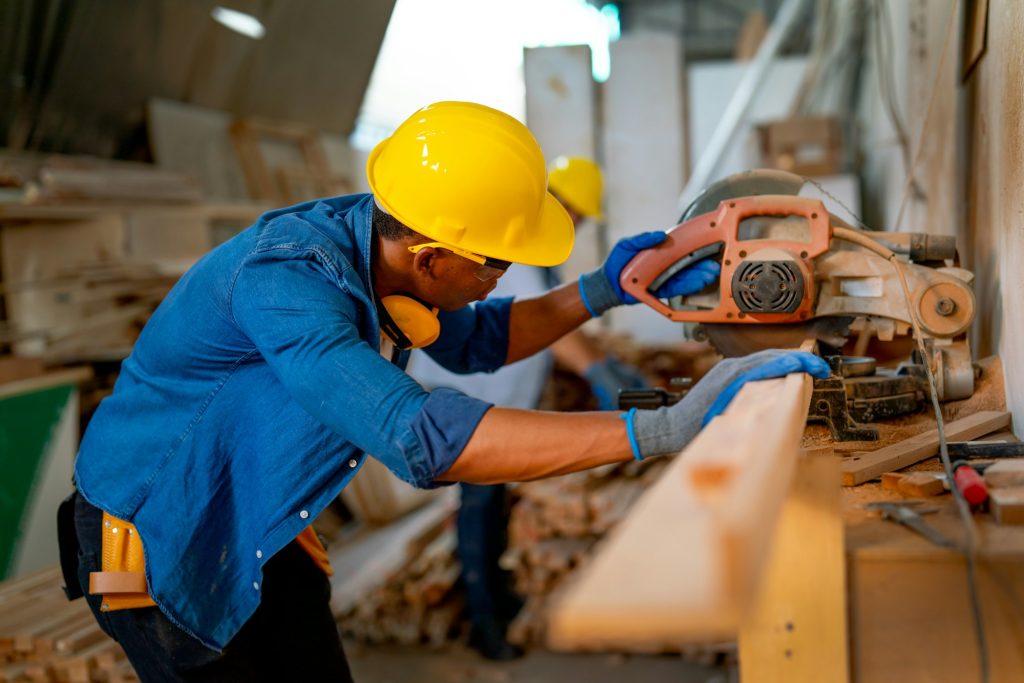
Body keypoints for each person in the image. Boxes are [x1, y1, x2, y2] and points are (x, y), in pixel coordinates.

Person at [62, 101, 830, 682]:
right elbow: (424, 438)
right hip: (164, 539)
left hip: (255, 523)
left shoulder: (382, 253)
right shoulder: (288, 284)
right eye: (495, 262)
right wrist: (663, 429)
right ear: (429, 258)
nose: (501, 276)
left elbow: (478, 340)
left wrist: (603, 289)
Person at [407, 155, 646, 660]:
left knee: (491, 506)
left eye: (580, 217)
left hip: (493, 392)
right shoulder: (518, 248)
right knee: (478, 508)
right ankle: (485, 626)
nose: (574, 224)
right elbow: (526, 324)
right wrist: (596, 371)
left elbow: (546, 316)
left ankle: (496, 603)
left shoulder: (539, 253)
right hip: (465, 396)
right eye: (573, 212)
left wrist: (603, 352)